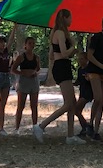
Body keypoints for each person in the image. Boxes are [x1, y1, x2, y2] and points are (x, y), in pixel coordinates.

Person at [32, 9, 85, 145]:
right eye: (70, 17)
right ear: (65, 18)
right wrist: (73, 48)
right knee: (68, 103)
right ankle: (41, 126)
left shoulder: (56, 33)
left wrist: (69, 51)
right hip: (62, 67)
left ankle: (70, 135)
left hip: (62, 65)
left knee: (72, 103)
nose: (71, 20)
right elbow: (64, 52)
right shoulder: (60, 33)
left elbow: (51, 55)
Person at [11, 36, 40, 135]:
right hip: (24, 82)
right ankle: (17, 128)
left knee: (34, 106)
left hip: (34, 81)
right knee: (20, 105)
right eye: (30, 43)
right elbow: (13, 69)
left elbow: (38, 68)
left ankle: (35, 127)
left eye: (33, 43)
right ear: (25, 45)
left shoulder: (36, 57)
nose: (32, 45)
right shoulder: (21, 57)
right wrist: (22, 74)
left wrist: (35, 72)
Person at [75, 51, 95, 137]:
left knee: (75, 109)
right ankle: (85, 128)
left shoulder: (89, 69)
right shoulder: (80, 69)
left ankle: (86, 126)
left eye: (82, 59)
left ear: (86, 59)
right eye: (79, 59)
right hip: (82, 92)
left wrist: (89, 79)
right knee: (78, 111)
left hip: (88, 93)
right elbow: (78, 81)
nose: (80, 61)